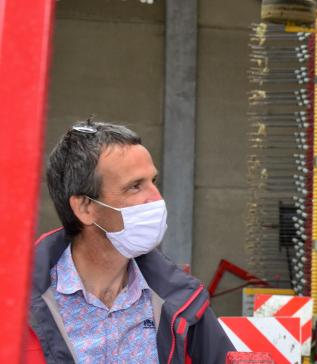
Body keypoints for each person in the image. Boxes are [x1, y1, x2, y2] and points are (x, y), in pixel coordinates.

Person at [29, 120, 234, 363]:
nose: (156, 199)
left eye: (153, 182)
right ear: (85, 208)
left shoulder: (180, 298)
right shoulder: (19, 304)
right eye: (135, 187)